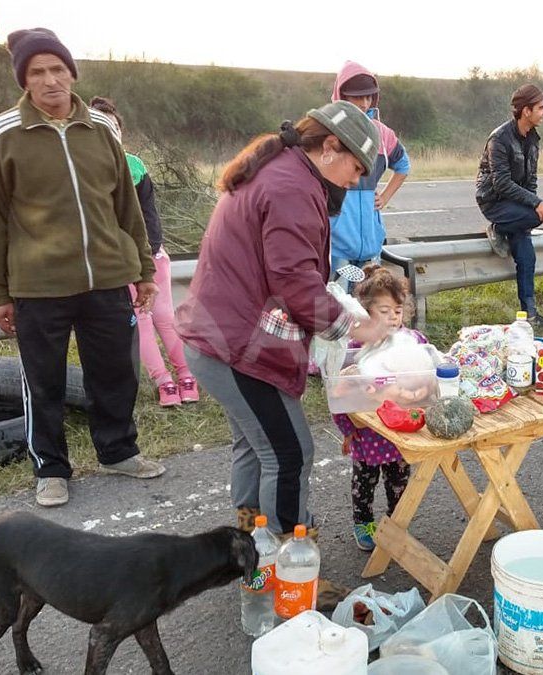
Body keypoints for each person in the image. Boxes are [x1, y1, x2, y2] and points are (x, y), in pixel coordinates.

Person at [176, 101, 390, 537]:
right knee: (290, 454)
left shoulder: (285, 172)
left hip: (220, 336)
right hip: (235, 347)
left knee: (256, 449)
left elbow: (298, 271)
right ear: (330, 147)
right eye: (357, 168)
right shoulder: (292, 187)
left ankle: (249, 548)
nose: (357, 180)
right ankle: (286, 566)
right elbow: (294, 282)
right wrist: (356, 326)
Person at [0, 28, 166, 508]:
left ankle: (119, 451)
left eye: (57, 69)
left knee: (117, 373)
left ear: (71, 72)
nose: (50, 80)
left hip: (105, 277)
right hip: (39, 284)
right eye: (37, 72)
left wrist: (143, 269)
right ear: (24, 80)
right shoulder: (3, 134)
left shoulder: (102, 127)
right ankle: (51, 469)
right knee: (44, 381)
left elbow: (128, 206)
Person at [89, 96, 199, 408]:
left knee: (156, 316)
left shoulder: (130, 166)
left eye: (111, 128)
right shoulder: (108, 167)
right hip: (129, 257)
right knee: (150, 318)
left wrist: (146, 256)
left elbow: (147, 215)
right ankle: (172, 380)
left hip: (142, 256)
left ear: (119, 132)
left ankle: (179, 378)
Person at [331, 266, 420, 551]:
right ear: (367, 313)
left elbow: (425, 367)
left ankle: (397, 525)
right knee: (363, 486)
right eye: (384, 311)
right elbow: (339, 394)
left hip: (399, 435)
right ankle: (364, 524)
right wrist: (347, 429)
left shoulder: (411, 341)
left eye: (398, 310)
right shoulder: (357, 350)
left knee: (399, 485)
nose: (393, 317)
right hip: (367, 435)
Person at [476, 83, 543, 329]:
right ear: (525, 111)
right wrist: (535, 204)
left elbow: (530, 180)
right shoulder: (499, 138)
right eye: (541, 107)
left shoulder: (533, 139)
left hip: (515, 204)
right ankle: (499, 228)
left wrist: (530, 204)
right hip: (494, 201)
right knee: (536, 217)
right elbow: (500, 183)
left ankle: (529, 314)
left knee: (526, 256)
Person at [328, 61, 412, 289]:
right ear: (341, 96)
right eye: (357, 97)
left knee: (370, 309)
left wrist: (384, 197)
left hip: (371, 246)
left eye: (369, 97)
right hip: (336, 246)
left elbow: (403, 166)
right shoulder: (329, 130)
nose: (364, 103)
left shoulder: (383, 134)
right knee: (338, 309)